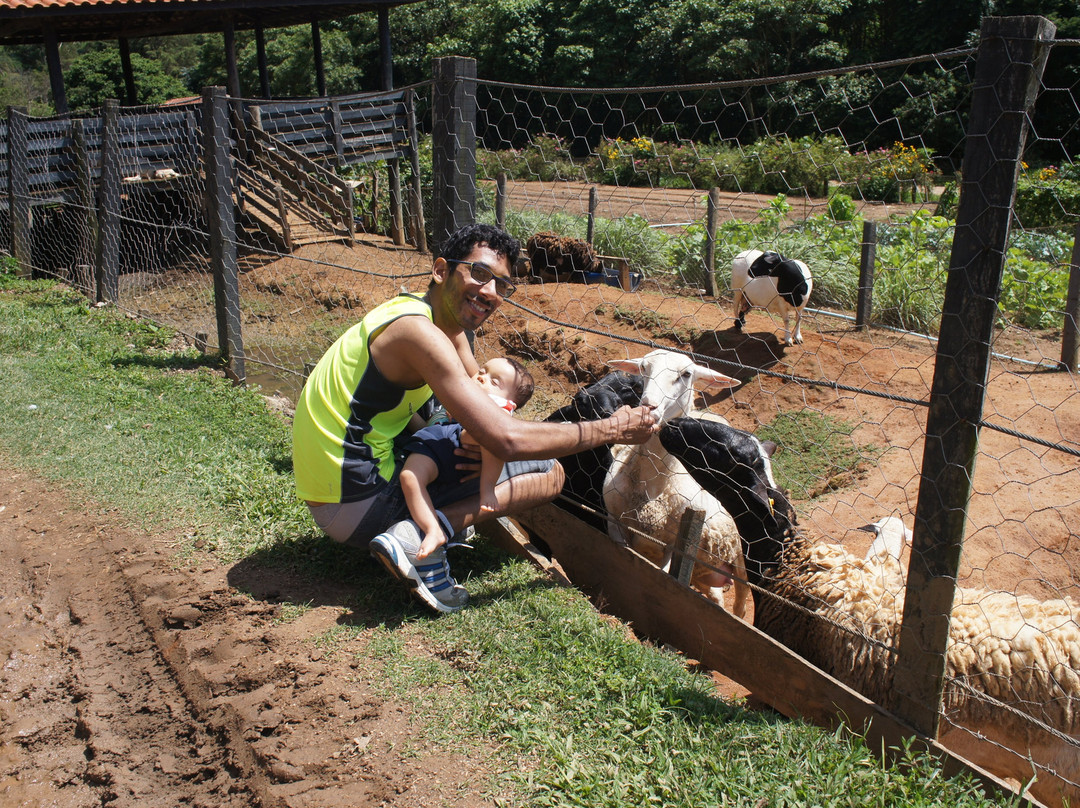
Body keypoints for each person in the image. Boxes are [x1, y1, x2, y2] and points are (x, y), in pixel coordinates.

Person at [292, 223, 658, 613]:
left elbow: (478, 398)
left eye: (502, 285)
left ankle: (427, 521)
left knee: (460, 434)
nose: (490, 293)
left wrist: (480, 438)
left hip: (333, 492)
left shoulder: (420, 314)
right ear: (440, 270)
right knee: (550, 471)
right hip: (356, 503)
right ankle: (417, 537)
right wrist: (613, 428)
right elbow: (506, 439)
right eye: (479, 274)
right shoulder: (420, 334)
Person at [400, 356, 535, 562]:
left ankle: (434, 529)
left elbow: (496, 449)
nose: (482, 377)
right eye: (483, 370)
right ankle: (431, 527)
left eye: (494, 381)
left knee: (490, 436)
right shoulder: (463, 393)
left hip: (453, 445)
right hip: (434, 442)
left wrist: (488, 487)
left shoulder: (499, 412)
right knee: (410, 476)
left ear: (511, 402)